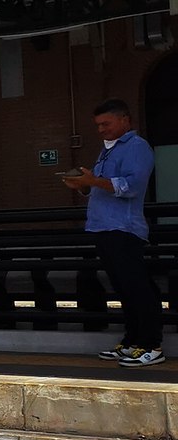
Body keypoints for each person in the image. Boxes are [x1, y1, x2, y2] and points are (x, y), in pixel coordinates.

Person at [59, 98, 163, 367]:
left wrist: (93, 181)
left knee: (137, 287)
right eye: (98, 125)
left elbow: (132, 187)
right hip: (103, 227)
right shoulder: (107, 151)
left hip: (124, 229)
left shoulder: (137, 147)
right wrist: (83, 186)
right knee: (123, 288)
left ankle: (151, 344)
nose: (101, 129)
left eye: (106, 123)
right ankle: (131, 341)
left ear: (125, 120)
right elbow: (100, 187)